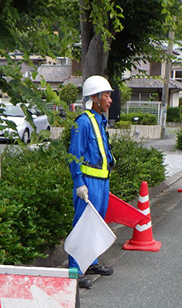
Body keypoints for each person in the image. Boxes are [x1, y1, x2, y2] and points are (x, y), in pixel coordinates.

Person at [67, 75, 116, 289]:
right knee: (82, 225)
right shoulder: (83, 122)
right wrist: (79, 183)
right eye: (106, 95)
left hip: (101, 183)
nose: (110, 99)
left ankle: (92, 263)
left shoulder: (99, 120)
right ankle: (74, 270)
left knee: (96, 225)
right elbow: (74, 154)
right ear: (95, 98)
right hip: (88, 183)